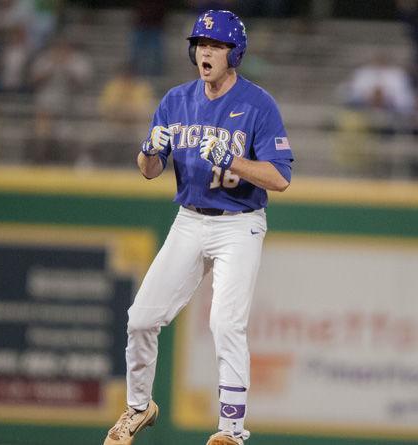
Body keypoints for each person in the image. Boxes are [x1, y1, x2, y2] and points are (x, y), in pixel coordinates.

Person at [103, 9, 293, 445]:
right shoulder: (175, 100)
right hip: (190, 218)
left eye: (217, 45)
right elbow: (149, 170)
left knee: (226, 323)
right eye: (202, 44)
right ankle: (138, 407)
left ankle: (230, 430)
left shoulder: (257, 104)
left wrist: (234, 161)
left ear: (235, 53)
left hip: (239, 222)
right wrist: (149, 151)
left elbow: (280, 178)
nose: (206, 51)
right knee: (140, 319)